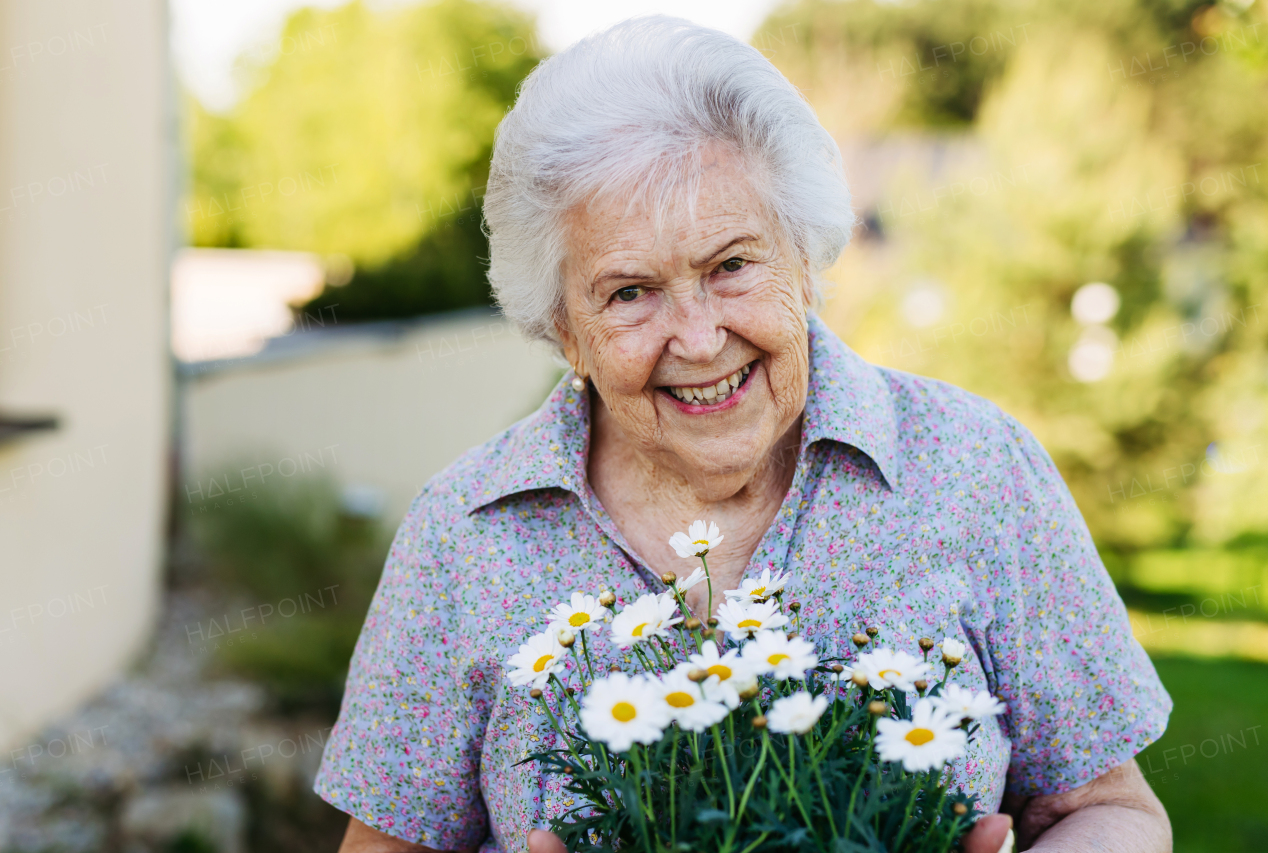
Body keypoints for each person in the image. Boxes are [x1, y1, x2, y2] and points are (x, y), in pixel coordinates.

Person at [317, 17, 1173, 853]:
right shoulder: (463, 533)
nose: (696, 337)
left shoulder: (978, 469)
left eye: (730, 266)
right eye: (629, 293)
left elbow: (1108, 808)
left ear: (804, 258)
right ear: (562, 331)